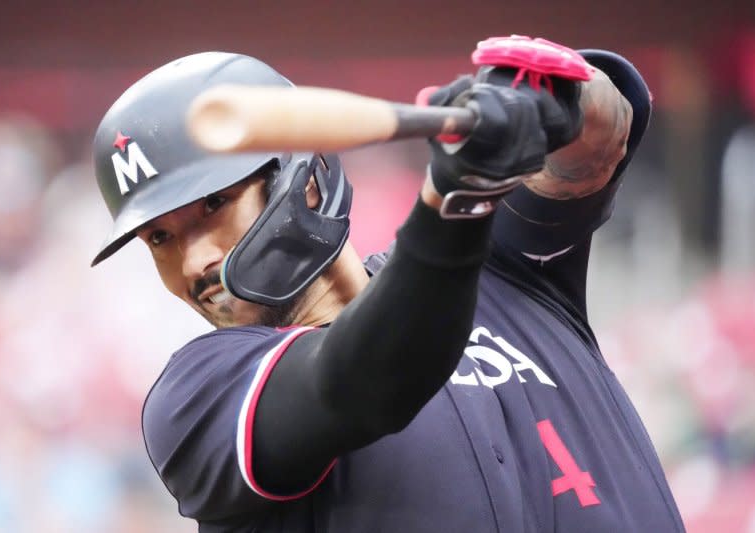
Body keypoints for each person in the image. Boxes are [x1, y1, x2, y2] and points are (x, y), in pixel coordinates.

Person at [90, 37, 684, 532]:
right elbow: (369, 378)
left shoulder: (501, 269)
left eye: (214, 204)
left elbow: (597, 145)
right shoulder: (198, 397)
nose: (194, 261)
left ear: (309, 180)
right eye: (160, 239)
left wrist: (556, 106)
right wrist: (463, 191)